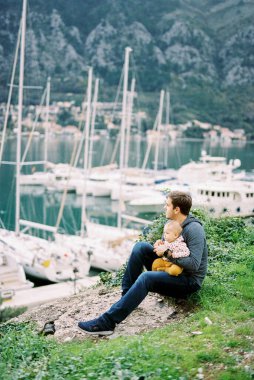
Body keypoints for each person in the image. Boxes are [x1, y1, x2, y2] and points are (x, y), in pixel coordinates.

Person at [78, 190, 208, 336]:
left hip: (187, 281)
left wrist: (166, 253)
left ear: (177, 209)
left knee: (146, 278)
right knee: (140, 247)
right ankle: (127, 299)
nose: (165, 208)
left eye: (167, 205)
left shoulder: (194, 229)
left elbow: (194, 264)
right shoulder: (171, 224)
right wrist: (160, 246)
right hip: (168, 268)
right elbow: (166, 250)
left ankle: (107, 323)